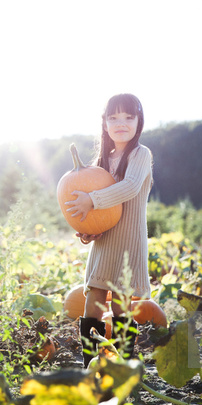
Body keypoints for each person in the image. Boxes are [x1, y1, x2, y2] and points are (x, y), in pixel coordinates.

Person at [64, 93, 153, 367]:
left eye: (128, 117)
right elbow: (98, 212)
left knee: (120, 308)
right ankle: (90, 365)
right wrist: (89, 230)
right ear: (104, 124)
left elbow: (129, 187)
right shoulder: (102, 161)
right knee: (93, 302)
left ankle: (124, 366)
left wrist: (91, 200)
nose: (121, 123)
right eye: (113, 118)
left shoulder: (141, 154)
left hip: (128, 242)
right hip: (104, 243)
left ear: (139, 122)